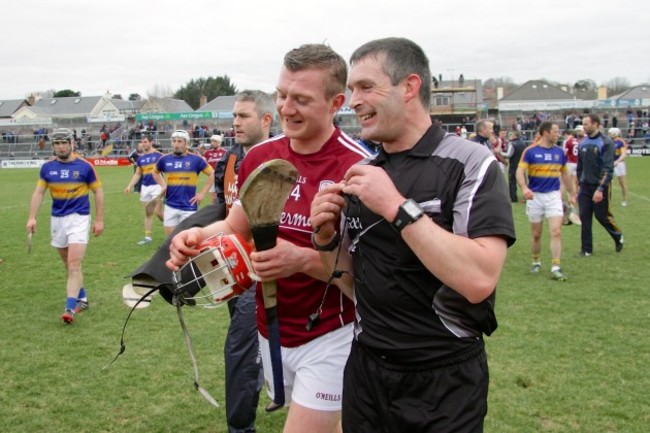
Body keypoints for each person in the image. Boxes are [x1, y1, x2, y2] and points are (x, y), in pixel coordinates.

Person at [310, 37, 516, 433]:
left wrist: (397, 207)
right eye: (352, 89)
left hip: (442, 380)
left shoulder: (471, 163)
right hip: (367, 370)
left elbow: (478, 280)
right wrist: (326, 240)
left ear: (409, 86)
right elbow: (353, 284)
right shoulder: (363, 172)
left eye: (366, 87)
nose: (353, 100)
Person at [167, 44, 373, 433]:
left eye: (301, 99)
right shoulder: (260, 157)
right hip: (272, 328)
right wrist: (195, 236)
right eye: (281, 95)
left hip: (332, 334)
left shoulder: (358, 167)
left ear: (337, 102)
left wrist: (303, 260)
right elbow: (235, 227)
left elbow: (372, 280)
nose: (286, 108)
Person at [218, 90, 275, 433]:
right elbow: (222, 212)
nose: (235, 123)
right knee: (250, 351)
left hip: (265, 277)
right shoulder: (227, 161)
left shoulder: (282, 164)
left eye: (244, 116)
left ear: (266, 119)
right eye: (234, 116)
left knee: (240, 351)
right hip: (231, 274)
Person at [26, 128, 104, 324]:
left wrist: (99, 220)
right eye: (57, 143)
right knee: (67, 264)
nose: (61, 146)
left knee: (74, 264)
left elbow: (98, 192)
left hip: (79, 218)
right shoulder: (47, 168)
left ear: (71, 144)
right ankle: (82, 297)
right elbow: (38, 193)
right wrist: (32, 217)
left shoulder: (85, 167)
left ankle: (70, 307)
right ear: (53, 146)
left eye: (64, 142)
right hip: (57, 219)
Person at [517, 122, 574, 281]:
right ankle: (536, 260)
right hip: (535, 197)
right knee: (536, 234)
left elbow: (565, 175)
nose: (558, 134)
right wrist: (524, 188)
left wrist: (572, 193)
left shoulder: (560, 153)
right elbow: (519, 171)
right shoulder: (530, 151)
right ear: (546, 133)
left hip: (553, 196)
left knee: (556, 232)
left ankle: (556, 266)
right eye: (556, 132)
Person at [577, 114, 624, 256]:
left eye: (586, 124)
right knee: (584, 217)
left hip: (600, 186)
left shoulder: (606, 142)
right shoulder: (582, 143)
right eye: (583, 124)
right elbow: (580, 167)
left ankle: (617, 235)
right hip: (585, 186)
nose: (583, 127)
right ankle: (586, 250)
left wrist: (600, 189)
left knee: (601, 216)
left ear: (596, 124)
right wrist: (579, 183)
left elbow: (608, 169)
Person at [153, 129, 214, 236]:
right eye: (174, 141)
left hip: (189, 207)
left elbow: (212, 174)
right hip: (170, 205)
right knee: (171, 241)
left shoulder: (196, 160)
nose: (176, 144)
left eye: (180, 141)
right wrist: (163, 185)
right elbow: (155, 172)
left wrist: (202, 193)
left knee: (188, 241)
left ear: (187, 143)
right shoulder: (165, 159)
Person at [124, 134, 164, 245]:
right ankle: (147, 237)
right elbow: (137, 174)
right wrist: (130, 185)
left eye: (145, 141)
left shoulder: (159, 156)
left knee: (158, 213)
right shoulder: (141, 159)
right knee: (148, 213)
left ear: (151, 142)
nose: (143, 144)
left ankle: (172, 229)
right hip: (145, 187)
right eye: (142, 142)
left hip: (157, 186)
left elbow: (167, 171)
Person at [501, 130, 527, 202]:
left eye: (511, 135)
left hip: (514, 165)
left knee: (512, 182)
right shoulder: (523, 143)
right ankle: (526, 196)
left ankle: (513, 198)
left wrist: (499, 152)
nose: (510, 136)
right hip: (522, 165)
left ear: (514, 136)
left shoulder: (512, 144)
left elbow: (509, 155)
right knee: (523, 181)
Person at [609, 127, 629, 206]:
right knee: (608, 181)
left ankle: (624, 200)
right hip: (610, 163)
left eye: (610, 133)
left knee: (622, 182)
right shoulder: (609, 141)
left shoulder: (621, 142)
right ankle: (608, 200)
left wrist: (617, 161)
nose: (609, 134)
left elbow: (624, 154)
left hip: (619, 164)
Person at [204, 134, 227, 202]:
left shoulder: (225, 152)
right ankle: (215, 209)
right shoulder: (207, 153)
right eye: (212, 141)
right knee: (213, 197)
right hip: (212, 177)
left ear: (219, 142)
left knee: (223, 195)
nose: (212, 143)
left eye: (214, 141)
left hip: (222, 177)